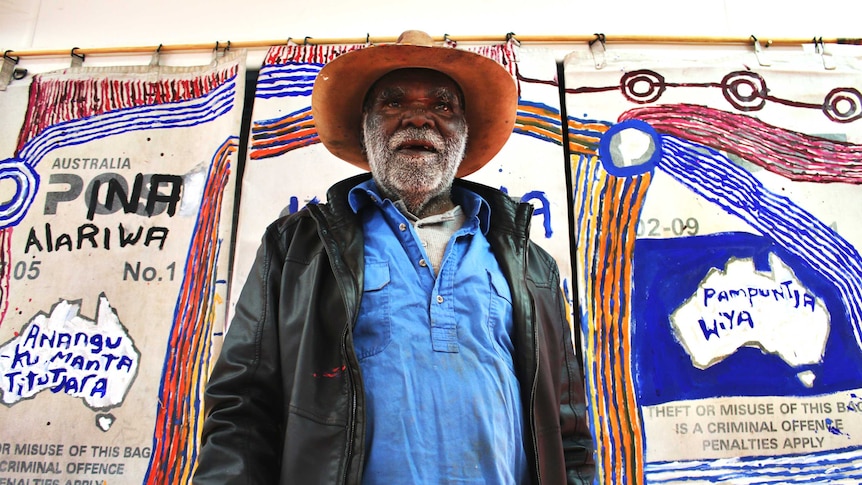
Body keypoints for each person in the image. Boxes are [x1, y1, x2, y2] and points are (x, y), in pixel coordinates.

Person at [193, 30, 595, 484]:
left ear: (464, 133)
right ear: (365, 128)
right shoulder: (297, 248)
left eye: (443, 106)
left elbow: (569, 430)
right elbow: (242, 406)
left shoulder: (531, 265)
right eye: (392, 103)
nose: (418, 120)